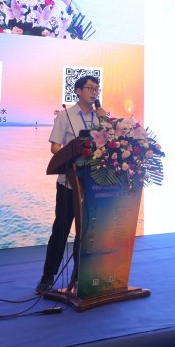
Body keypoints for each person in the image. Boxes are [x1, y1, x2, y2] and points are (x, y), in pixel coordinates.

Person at [36, 75, 107, 294]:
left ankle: (80, 276)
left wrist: (106, 122)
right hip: (69, 183)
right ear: (78, 91)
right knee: (61, 230)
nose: (94, 92)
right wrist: (69, 157)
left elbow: (108, 146)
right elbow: (55, 146)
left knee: (86, 232)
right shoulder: (65, 115)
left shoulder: (100, 118)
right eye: (90, 88)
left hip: (93, 184)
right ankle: (47, 277)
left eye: (96, 89)